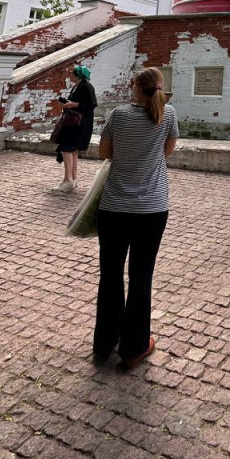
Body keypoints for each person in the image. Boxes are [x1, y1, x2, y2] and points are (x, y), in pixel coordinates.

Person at [92, 67, 179, 368]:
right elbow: (167, 152)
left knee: (111, 275)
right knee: (141, 277)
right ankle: (134, 346)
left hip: (114, 207)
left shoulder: (118, 115)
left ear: (135, 88)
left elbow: (105, 152)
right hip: (151, 209)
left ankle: (104, 343)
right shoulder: (167, 116)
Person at [53, 64, 97, 192]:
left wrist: (74, 104)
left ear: (79, 75)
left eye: (74, 73)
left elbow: (92, 104)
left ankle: (68, 180)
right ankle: (73, 178)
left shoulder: (87, 86)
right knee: (72, 150)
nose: (72, 75)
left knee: (66, 149)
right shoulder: (78, 86)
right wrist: (67, 103)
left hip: (78, 124)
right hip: (74, 123)